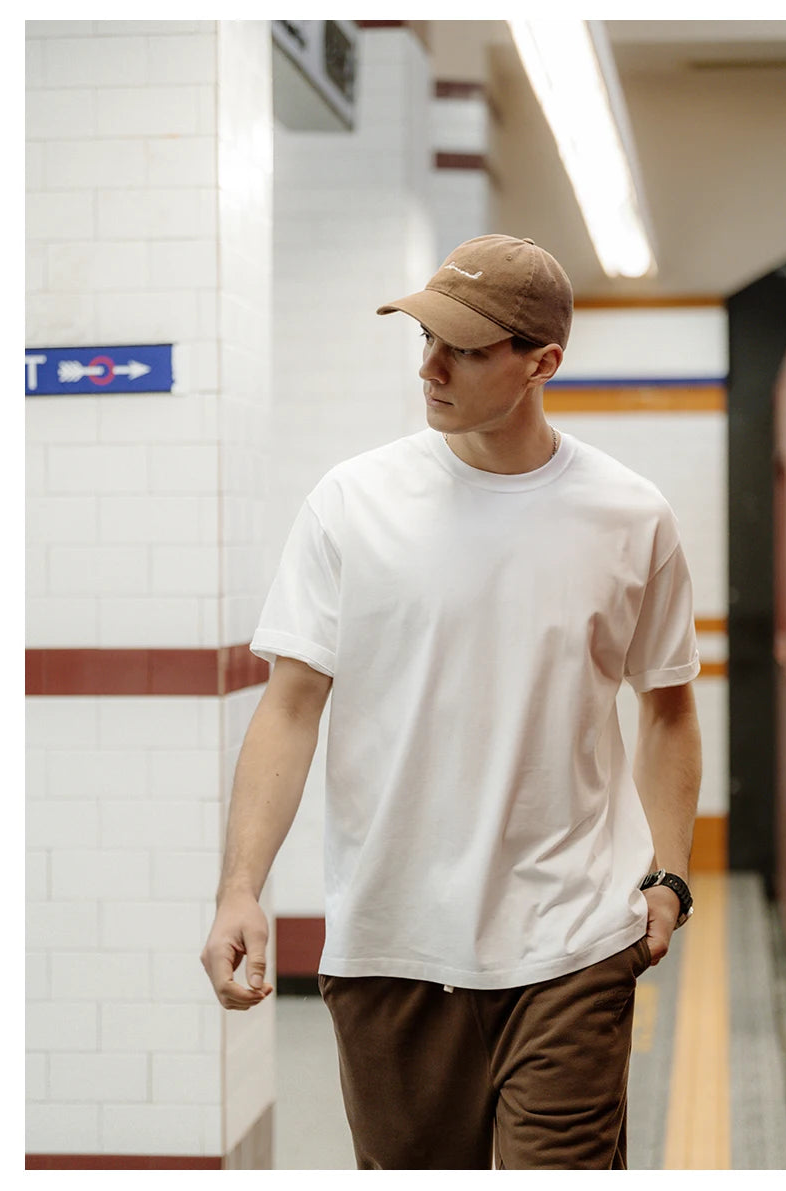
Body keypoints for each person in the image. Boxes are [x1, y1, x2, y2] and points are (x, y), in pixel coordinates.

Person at [201, 234, 702, 1170]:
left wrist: (669, 878)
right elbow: (290, 706)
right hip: (391, 944)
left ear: (541, 363)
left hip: (574, 944)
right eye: (425, 339)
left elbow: (668, 708)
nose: (429, 368)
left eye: (464, 349)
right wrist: (241, 887)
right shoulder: (351, 503)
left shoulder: (632, 517)